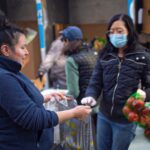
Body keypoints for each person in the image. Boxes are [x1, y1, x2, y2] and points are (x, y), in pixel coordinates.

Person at [0, 16, 91, 150]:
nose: (27, 52)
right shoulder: (4, 78)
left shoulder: (12, 70)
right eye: (23, 47)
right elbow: (32, 118)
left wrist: (43, 97)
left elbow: (15, 102)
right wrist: (73, 113)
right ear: (6, 50)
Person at [81, 14, 150, 150]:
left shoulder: (142, 56)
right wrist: (91, 95)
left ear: (129, 31)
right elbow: (96, 81)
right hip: (104, 116)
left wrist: (145, 94)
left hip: (126, 119)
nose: (115, 35)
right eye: (111, 32)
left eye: (119, 31)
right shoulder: (105, 55)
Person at [61, 26, 97, 104]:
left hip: (84, 106)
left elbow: (74, 92)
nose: (62, 43)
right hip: (98, 103)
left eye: (63, 40)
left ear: (67, 41)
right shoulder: (93, 54)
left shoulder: (71, 60)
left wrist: (62, 99)